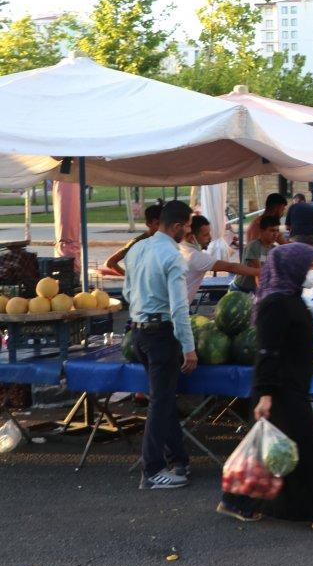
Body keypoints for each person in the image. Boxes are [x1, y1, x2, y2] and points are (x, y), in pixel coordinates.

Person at [216, 243, 313, 533]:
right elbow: (268, 351)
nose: (310, 271)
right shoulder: (275, 304)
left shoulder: (288, 297)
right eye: (305, 266)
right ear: (291, 269)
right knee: (308, 451)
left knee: (274, 451)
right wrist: (266, 394)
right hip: (279, 391)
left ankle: (238, 501)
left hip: (290, 387)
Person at [124, 200, 196, 490]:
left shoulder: (138, 248)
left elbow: (128, 291)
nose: (188, 232)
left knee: (163, 399)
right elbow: (179, 308)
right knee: (161, 402)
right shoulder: (173, 257)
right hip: (161, 335)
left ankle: (179, 459)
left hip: (138, 332)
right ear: (177, 226)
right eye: (187, 227)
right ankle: (152, 470)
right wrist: (189, 347)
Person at [179, 215, 259, 301]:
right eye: (205, 235)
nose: (210, 238)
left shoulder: (182, 249)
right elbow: (231, 267)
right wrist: (261, 271)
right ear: (191, 238)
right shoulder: (195, 256)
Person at [106, 203, 162, 276]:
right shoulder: (137, 242)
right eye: (158, 224)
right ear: (148, 224)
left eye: (165, 224)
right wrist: (129, 277)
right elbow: (111, 262)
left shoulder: (168, 240)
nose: (162, 227)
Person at [231, 215, 280, 295]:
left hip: (256, 289)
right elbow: (258, 273)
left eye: (277, 231)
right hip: (241, 289)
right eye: (272, 230)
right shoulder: (253, 246)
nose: (275, 234)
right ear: (262, 231)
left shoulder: (274, 249)